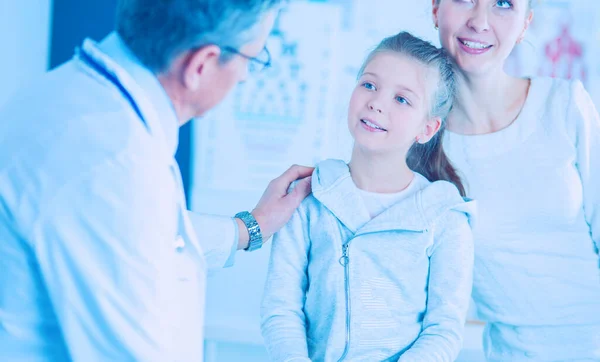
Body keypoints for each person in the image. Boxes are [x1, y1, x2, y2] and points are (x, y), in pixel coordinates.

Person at [0, 0, 314, 360]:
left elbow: (142, 230)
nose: (244, 76)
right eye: (252, 59)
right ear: (201, 65)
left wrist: (250, 227)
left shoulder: (73, 97)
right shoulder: (111, 161)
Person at [260, 32, 475, 362]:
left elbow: (443, 330)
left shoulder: (444, 216)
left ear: (428, 129)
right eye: (369, 85)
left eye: (402, 99)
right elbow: (281, 310)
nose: (376, 102)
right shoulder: (308, 198)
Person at [431, 0, 600, 360]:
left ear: (525, 25)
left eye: (503, 4)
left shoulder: (565, 105)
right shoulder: (424, 147)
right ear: (435, 8)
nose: (479, 21)